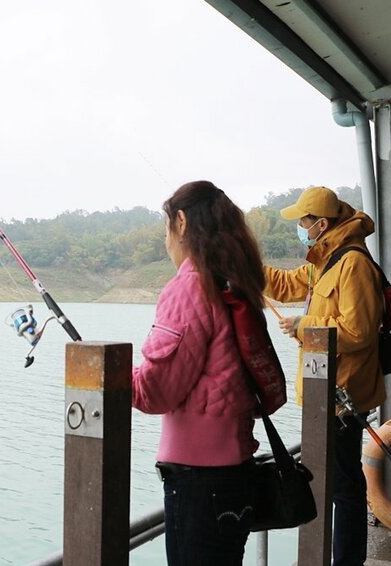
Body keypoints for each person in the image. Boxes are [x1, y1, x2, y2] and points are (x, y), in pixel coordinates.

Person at [132, 180, 266, 565]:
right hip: (237, 471)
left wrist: (114, 374)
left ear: (181, 222)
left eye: (166, 230)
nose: (166, 242)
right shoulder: (235, 283)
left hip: (199, 481)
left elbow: (155, 393)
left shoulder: (190, 287)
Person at [264, 186, 385, 566]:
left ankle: (347, 561)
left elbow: (358, 331)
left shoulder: (353, 264)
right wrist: (244, 264)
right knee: (335, 481)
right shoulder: (324, 260)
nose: (300, 228)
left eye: (303, 222)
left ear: (321, 223)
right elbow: (284, 285)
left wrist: (304, 325)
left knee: (344, 487)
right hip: (327, 394)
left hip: (343, 395)